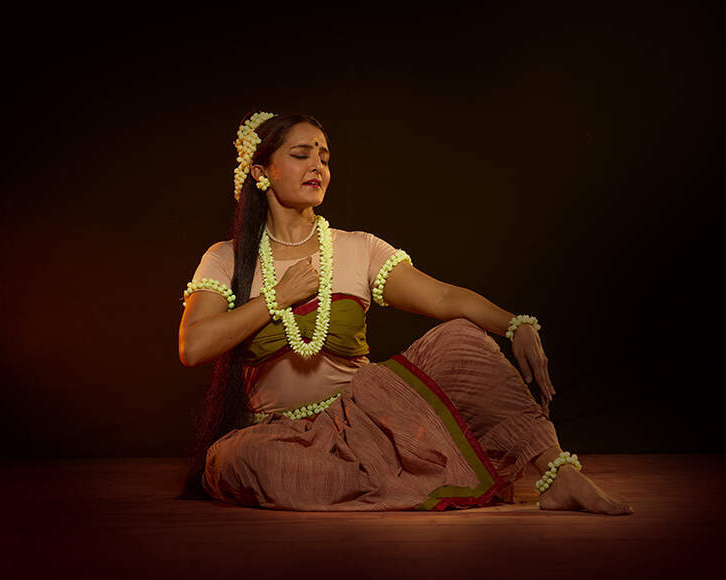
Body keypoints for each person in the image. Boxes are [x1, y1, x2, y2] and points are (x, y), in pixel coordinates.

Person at [177, 111, 633, 514]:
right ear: (261, 171)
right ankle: (393, 479)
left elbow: (445, 298)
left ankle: (560, 476)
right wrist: (278, 297)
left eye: (324, 157)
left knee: (460, 336)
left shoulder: (358, 248)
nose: (318, 166)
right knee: (236, 462)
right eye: (301, 154)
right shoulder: (227, 258)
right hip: (283, 438)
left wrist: (516, 325)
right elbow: (193, 346)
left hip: (366, 421)